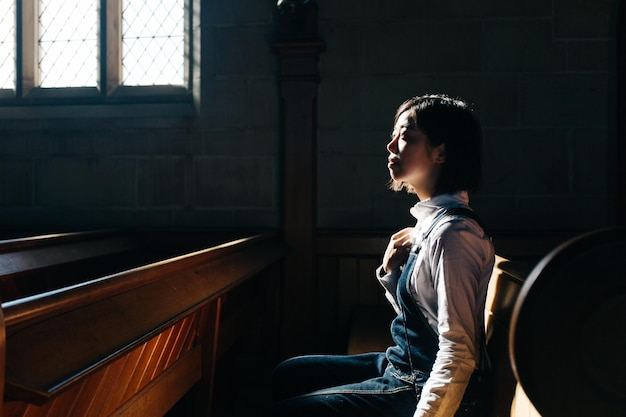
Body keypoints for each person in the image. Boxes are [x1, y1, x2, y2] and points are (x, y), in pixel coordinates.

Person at [266, 94, 495, 417]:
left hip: (419, 382)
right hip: (402, 363)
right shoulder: (433, 225)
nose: (390, 147)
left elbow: (459, 351)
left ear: (441, 152)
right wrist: (391, 272)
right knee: (289, 374)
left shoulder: (453, 235)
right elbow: (421, 317)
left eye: (405, 136)